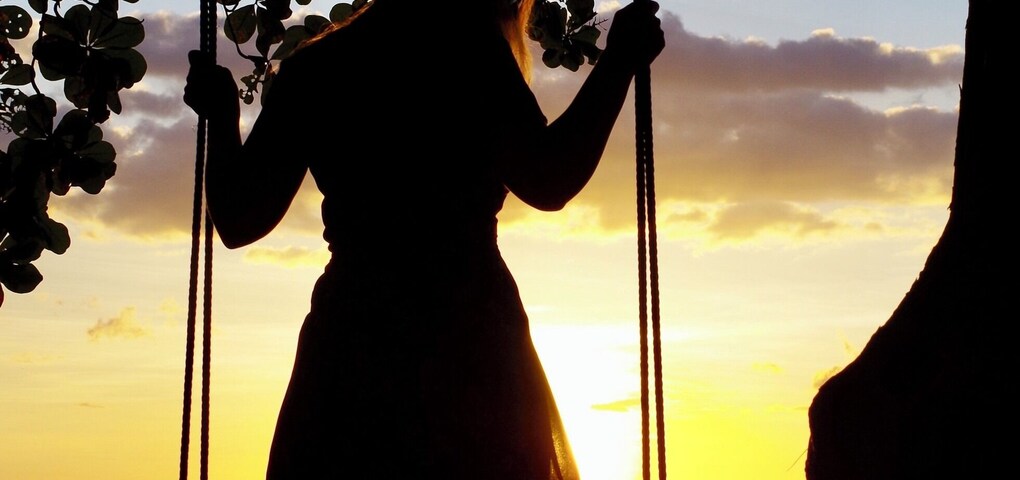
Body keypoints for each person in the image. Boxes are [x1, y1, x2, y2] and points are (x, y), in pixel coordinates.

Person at [184, 1, 664, 478]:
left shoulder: (319, 66)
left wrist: (223, 119)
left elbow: (241, 219)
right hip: (467, 340)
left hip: (353, 344)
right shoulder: (468, 55)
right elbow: (548, 178)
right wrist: (618, 62)